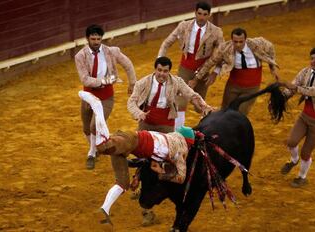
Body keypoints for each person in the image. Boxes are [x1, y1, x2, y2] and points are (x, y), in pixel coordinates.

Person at [78, 90, 194, 226]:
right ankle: (97, 106)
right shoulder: (181, 149)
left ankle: (105, 209)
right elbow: (181, 177)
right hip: (134, 141)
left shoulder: (171, 138)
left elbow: (146, 161)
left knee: (123, 184)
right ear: (187, 142)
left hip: (132, 144)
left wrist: (137, 177)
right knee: (103, 146)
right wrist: (162, 172)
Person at [75, 24, 137, 170]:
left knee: (94, 126)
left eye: (98, 39)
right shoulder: (80, 56)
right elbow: (84, 79)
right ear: (87, 39)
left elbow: (128, 64)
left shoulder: (111, 52)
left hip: (106, 97)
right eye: (93, 39)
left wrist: (132, 83)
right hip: (88, 96)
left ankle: (92, 153)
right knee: (86, 128)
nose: (96, 42)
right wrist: (102, 82)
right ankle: (96, 147)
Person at [158, 1, 223, 129]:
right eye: (199, 13)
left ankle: (204, 130)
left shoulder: (216, 32)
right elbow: (167, 43)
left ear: (209, 15)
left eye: (205, 14)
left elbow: (221, 54)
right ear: (195, 13)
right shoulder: (184, 26)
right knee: (180, 102)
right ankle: (178, 134)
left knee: (199, 106)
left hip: (204, 70)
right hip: (185, 69)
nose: (201, 17)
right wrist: (159, 60)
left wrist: (215, 72)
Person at [278, 47, 315, 188]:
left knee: (306, 151)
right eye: (312, 58)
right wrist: (282, 96)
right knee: (291, 142)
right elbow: (294, 85)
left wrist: (295, 88)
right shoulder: (305, 72)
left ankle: (302, 177)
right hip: (305, 116)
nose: (313, 62)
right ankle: (294, 159)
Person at [190, 27, 279, 115]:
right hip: (233, 87)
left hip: (252, 89)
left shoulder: (258, 44)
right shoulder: (225, 48)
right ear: (232, 40)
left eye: (241, 42)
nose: (238, 45)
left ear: (246, 39)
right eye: (235, 42)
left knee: (239, 114)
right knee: (225, 111)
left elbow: (270, 48)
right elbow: (210, 63)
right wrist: (196, 79)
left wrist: (272, 67)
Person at [127, 56, 214, 133]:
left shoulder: (177, 82)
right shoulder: (142, 83)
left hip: (166, 123)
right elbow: (131, 102)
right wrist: (138, 113)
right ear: (155, 69)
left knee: (167, 150)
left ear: (169, 71)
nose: (162, 74)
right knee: (143, 149)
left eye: (165, 71)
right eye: (159, 70)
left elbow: (192, 95)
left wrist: (204, 106)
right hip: (146, 121)